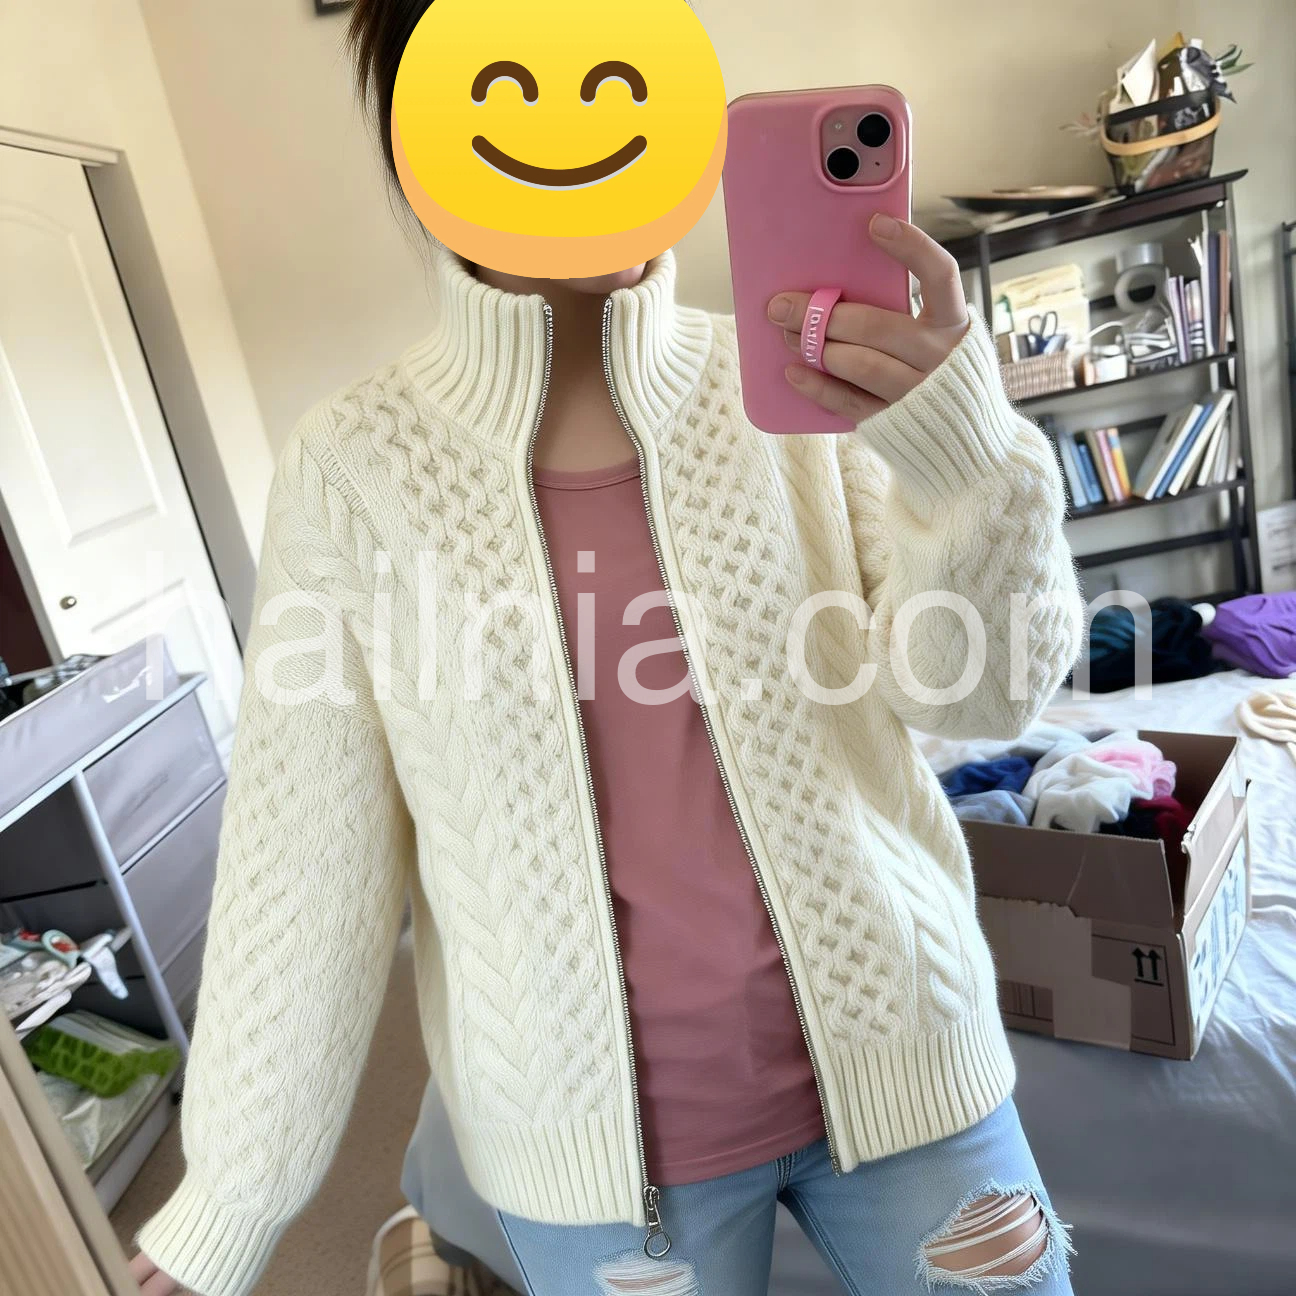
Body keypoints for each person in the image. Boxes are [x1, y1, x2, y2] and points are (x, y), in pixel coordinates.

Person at [129, 2, 1084, 1292]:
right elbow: (305, 857)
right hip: (592, 1159)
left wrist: (966, 463)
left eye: (624, 78)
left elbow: (980, 700)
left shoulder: (798, 391)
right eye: (515, 86)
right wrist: (228, 1207)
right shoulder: (353, 472)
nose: (581, 125)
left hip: (911, 1056)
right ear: (424, 131)